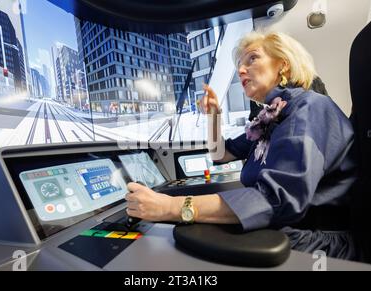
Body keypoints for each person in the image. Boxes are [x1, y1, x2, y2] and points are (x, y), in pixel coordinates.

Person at [126, 31, 357, 259]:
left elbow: (277, 200)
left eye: (252, 58)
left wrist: (169, 207)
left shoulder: (310, 108)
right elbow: (221, 154)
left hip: (316, 243)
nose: (241, 70)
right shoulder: (269, 119)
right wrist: (213, 117)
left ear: (283, 65)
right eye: (240, 64)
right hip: (282, 228)